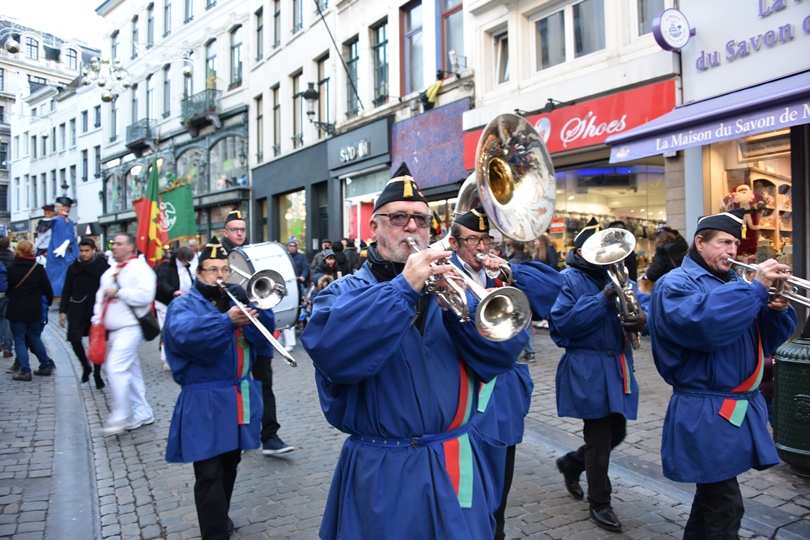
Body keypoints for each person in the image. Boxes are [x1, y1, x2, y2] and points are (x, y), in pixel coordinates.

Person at [301, 164, 528, 539]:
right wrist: (404, 288)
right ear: (373, 228)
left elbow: (502, 355)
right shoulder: (339, 295)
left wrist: (463, 303)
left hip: (455, 463)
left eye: (421, 221)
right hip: (383, 470)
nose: (411, 228)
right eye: (398, 218)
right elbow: (332, 353)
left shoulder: (452, 287)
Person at [647, 209, 796, 538]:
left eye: (735, 244)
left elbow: (763, 343)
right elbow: (704, 326)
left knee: (710, 502)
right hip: (704, 408)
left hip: (732, 407)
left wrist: (775, 310)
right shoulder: (675, 284)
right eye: (724, 242)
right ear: (700, 243)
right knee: (725, 506)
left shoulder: (734, 284)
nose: (732, 251)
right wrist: (755, 291)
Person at [447, 206, 563, 540]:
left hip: (502, 394)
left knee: (501, 479)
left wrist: (510, 269)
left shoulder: (501, 275)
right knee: (467, 482)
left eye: (486, 239)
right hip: (463, 389)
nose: (482, 247)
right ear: (454, 243)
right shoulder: (444, 272)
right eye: (473, 240)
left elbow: (553, 292)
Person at [163, 237, 274, 539]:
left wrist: (258, 310)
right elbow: (187, 337)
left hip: (238, 395)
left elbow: (264, 345)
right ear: (198, 273)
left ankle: (219, 515)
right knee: (209, 471)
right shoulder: (183, 304)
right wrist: (227, 321)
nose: (220, 276)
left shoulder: (236, 300)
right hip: (204, 398)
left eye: (224, 269)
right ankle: (214, 533)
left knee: (230, 462)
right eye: (212, 270)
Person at [550, 217, 648, 533]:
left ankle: (571, 463)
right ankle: (600, 503)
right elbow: (563, 326)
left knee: (616, 433)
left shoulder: (616, 275)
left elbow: (643, 308)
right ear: (580, 251)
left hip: (617, 366)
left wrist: (643, 316)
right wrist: (603, 297)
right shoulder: (567, 279)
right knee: (599, 438)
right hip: (587, 367)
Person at [219, 210, 292, 456]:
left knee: (264, 385)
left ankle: (270, 436)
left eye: (243, 229)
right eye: (235, 230)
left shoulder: (253, 255)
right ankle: (235, 434)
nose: (240, 233)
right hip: (231, 334)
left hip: (257, 328)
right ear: (225, 232)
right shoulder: (214, 256)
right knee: (233, 385)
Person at [92, 233, 156, 435]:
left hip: (130, 328)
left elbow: (146, 295)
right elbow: (99, 299)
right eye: (113, 244)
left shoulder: (140, 269)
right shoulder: (109, 272)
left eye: (119, 244)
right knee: (131, 372)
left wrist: (120, 293)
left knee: (116, 368)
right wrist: (97, 322)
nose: (114, 247)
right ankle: (142, 411)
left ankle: (120, 415)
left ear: (130, 247)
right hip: (113, 330)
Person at [59, 238, 109, 389]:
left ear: (93, 250)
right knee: (74, 339)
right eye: (81, 251)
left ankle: (97, 373)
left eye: (87, 251)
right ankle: (85, 365)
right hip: (77, 308)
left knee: (97, 342)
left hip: (96, 309)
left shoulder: (103, 267)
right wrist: (63, 311)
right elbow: (66, 290)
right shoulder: (73, 268)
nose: (84, 254)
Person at [6, 241, 55, 381]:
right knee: (34, 338)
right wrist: (47, 304)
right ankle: (45, 365)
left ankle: (25, 370)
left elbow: (8, 289)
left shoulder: (11, 269)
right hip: (34, 309)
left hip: (16, 309)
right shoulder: (38, 268)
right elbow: (48, 290)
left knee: (19, 340)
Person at [155, 246, 196, 370]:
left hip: (182, 303)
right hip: (165, 302)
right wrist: (173, 292)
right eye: (187, 259)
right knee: (166, 330)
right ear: (182, 258)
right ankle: (166, 358)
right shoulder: (167, 266)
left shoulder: (186, 268)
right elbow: (163, 283)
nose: (188, 262)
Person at [638, 226, 688, 294]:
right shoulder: (683, 249)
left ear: (659, 239)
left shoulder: (663, 252)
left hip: (668, 290)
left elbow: (652, 274)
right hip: (684, 286)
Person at [46, 196, 79, 297]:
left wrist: (64, 246)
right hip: (58, 252)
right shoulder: (56, 221)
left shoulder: (69, 222)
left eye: (68, 207)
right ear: (57, 207)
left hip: (67, 252)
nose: (66, 209)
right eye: (64, 206)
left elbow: (70, 236)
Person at [283, 238, 309, 352]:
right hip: (287, 286)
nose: (292, 247)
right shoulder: (285, 257)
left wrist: (303, 276)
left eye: (294, 246)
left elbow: (305, 268)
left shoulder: (301, 257)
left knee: (302, 307)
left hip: (298, 285)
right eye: (290, 246)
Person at [0, 236, 14, 363]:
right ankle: (7, 348)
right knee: (7, 320)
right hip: (7, 293)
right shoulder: (12, 257)